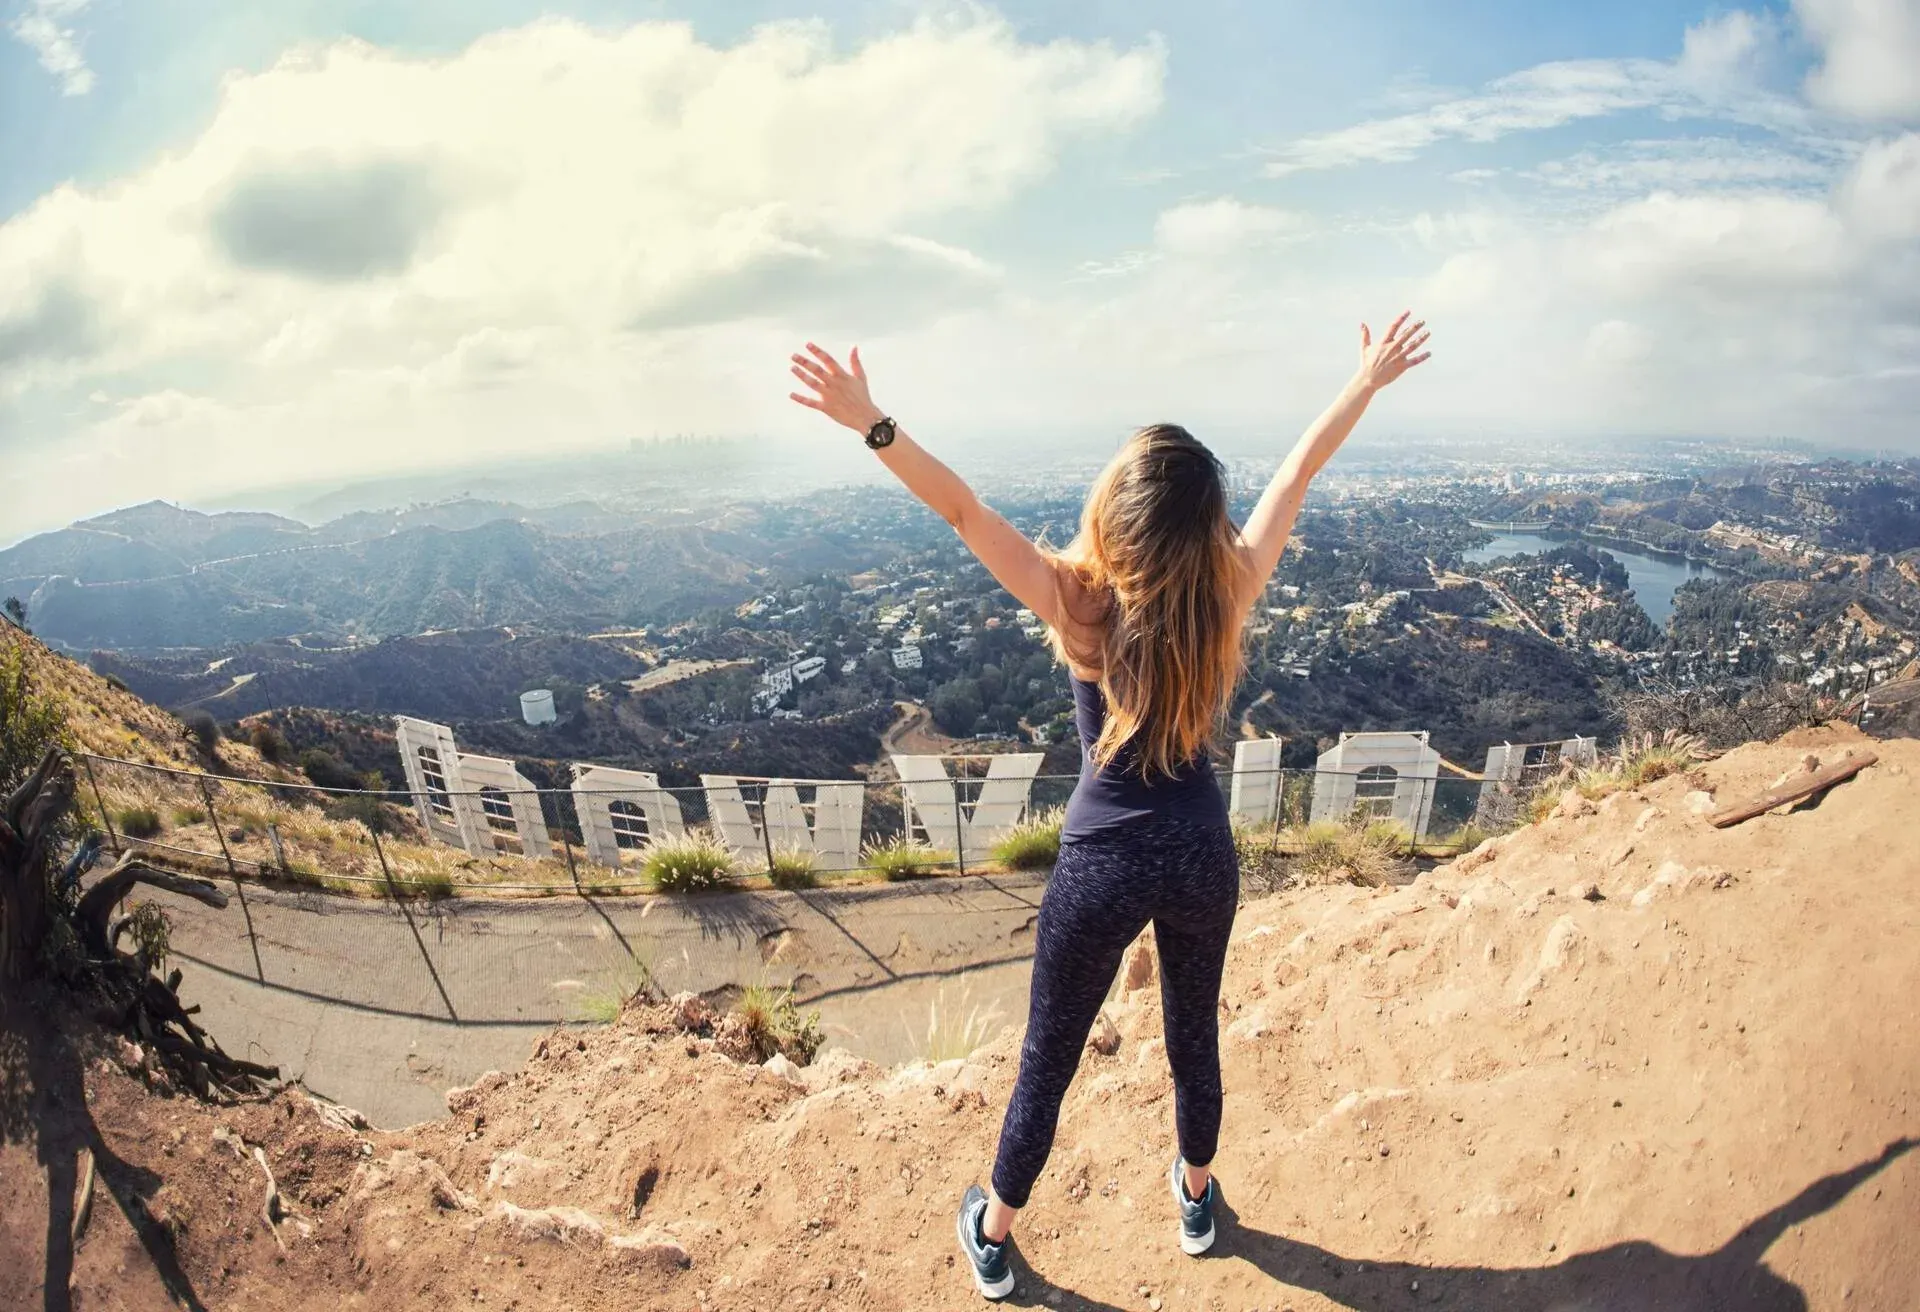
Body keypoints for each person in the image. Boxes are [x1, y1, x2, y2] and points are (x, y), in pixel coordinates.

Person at [787, 313, 1432, 1299]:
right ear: (1204, 525)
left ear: (1112, 516)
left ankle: (995, 1234)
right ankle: (1197, 1197)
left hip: (1101, 861)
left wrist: (872, 423)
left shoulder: (1075, 600)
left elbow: (961, 510)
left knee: (1049, 1053)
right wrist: (1365, 381)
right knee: (1192, 1034)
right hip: (1201, 853)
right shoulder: (1230, 593)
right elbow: (1295, 476)